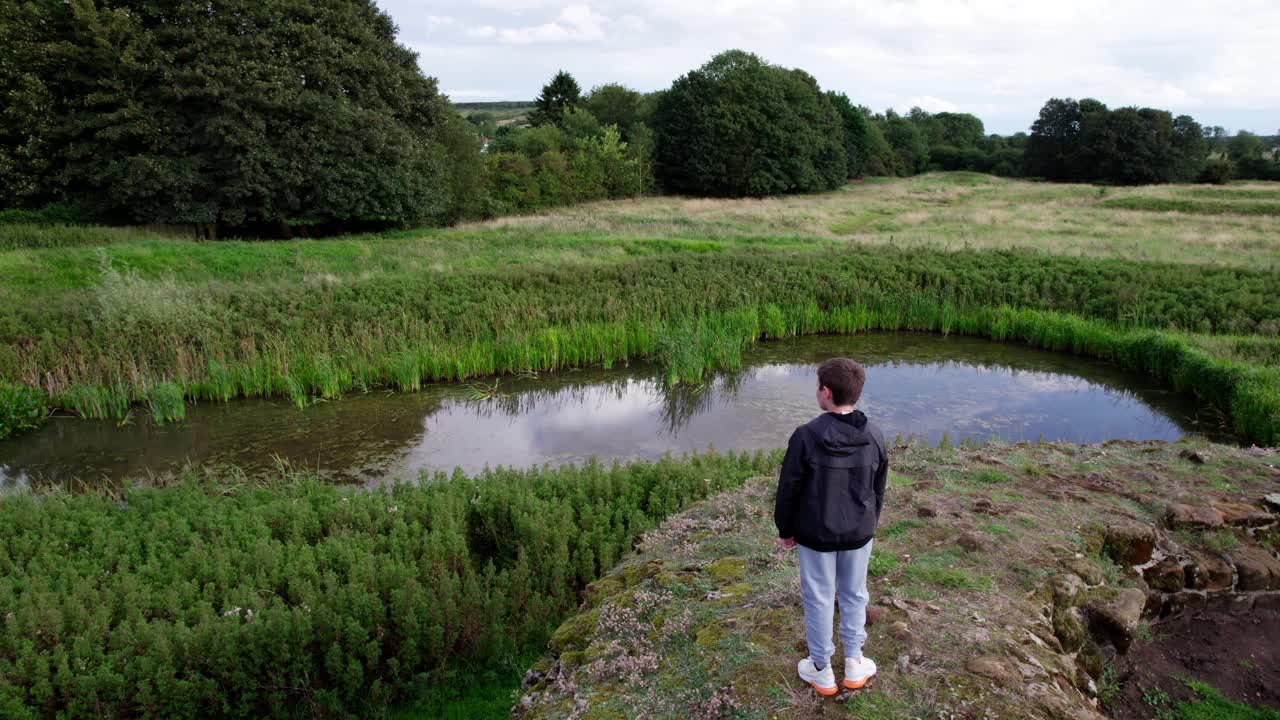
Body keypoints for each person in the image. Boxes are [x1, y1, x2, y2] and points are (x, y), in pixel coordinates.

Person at [774, 357, 888, 696]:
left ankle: (821, 668)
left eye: (816, 387)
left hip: (815, 536)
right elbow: (878, 489)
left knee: (819, 598)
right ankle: (854, 661)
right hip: (858, 534)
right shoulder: (875, 434)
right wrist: (869, 523)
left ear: (825, 392)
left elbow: (788, 489)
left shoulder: (806, 436)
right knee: (855, 594)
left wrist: (786, 530)